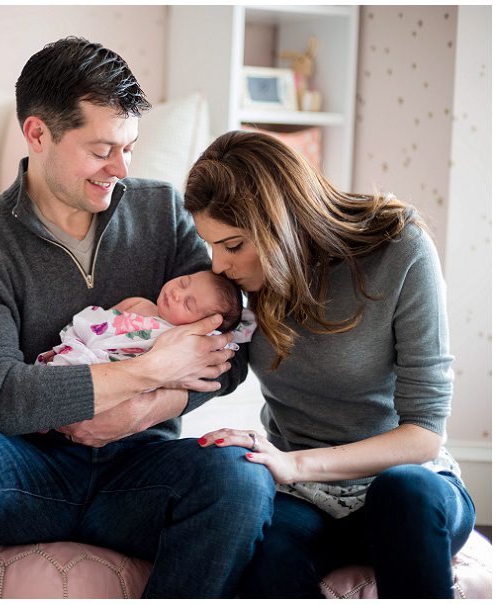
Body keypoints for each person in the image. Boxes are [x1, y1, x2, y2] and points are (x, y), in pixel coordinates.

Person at [0, 37, 275, 598]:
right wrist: (141, 373)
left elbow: (231, 346)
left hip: (140, 468)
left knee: (241, 476)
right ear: (38, 134)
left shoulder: (163, 212)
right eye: (101, 150)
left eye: (129, 148)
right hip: (27, 471)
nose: (120, 168)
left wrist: (144, 409)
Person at [184, 130, 475, 598]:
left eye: (232, 245)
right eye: (211, 244)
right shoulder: (240, 281)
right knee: (266, 559)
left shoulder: (400, 249)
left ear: (281, 225)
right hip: (308, 500)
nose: (218, 265)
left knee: (403, 494)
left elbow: (424, 434)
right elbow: (199, 364)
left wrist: (293, 463)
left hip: (404, 486)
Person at [37, 269, 255, 366]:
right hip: (89, 351)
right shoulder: (139, 303)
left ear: (201, 325)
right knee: (62, 365)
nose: (177, 293)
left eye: (188, 304)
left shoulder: (181, 340)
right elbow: (99, 323)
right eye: (184, 282)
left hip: (112, 374)